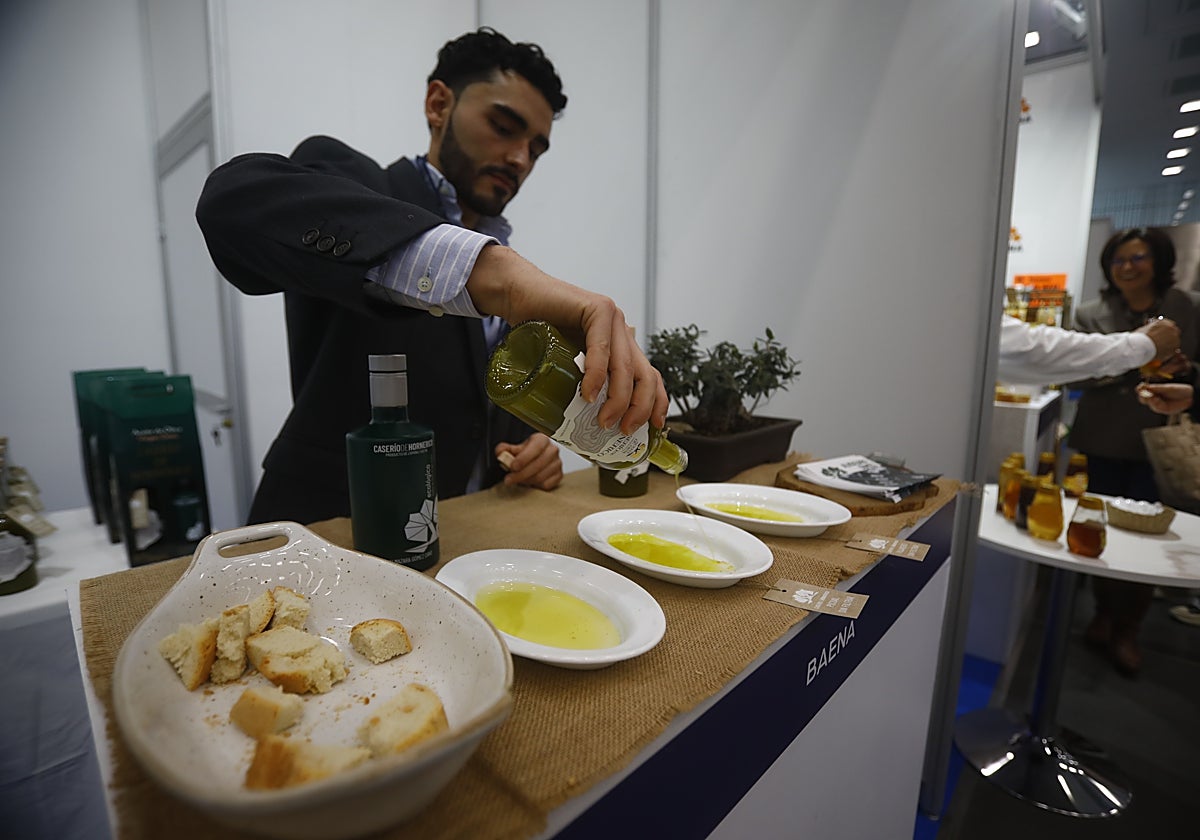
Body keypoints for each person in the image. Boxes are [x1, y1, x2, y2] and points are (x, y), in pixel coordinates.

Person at [196, 28, 666, 525]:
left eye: (536, 149)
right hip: (334, 528)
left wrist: (530, 448)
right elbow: (230, 204)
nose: (520, 159)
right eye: (504, 127)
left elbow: (475, 411)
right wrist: (497, 275)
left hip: (464, 538)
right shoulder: (357, 185)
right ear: (439, 104)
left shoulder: (502, 258)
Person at [1066, 227, 1200, 676]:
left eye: (1137, 257)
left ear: (1159, 261)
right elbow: (1075, 373)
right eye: (1118, 260)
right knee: (1098, 528)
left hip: (1163, 443)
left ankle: (1129, 629)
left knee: (1151, 539)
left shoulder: (1188, 308)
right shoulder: (1091, 313)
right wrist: (1137, 360)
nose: (1127, 267)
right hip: (1103, 439)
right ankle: (1103, 613)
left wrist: (1185, 372)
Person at [997, 314, 1180, 385]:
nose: (1128, 267)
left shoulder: (1181, 304)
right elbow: (1028, 351)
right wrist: (1140, 346)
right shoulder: (1090, 312)